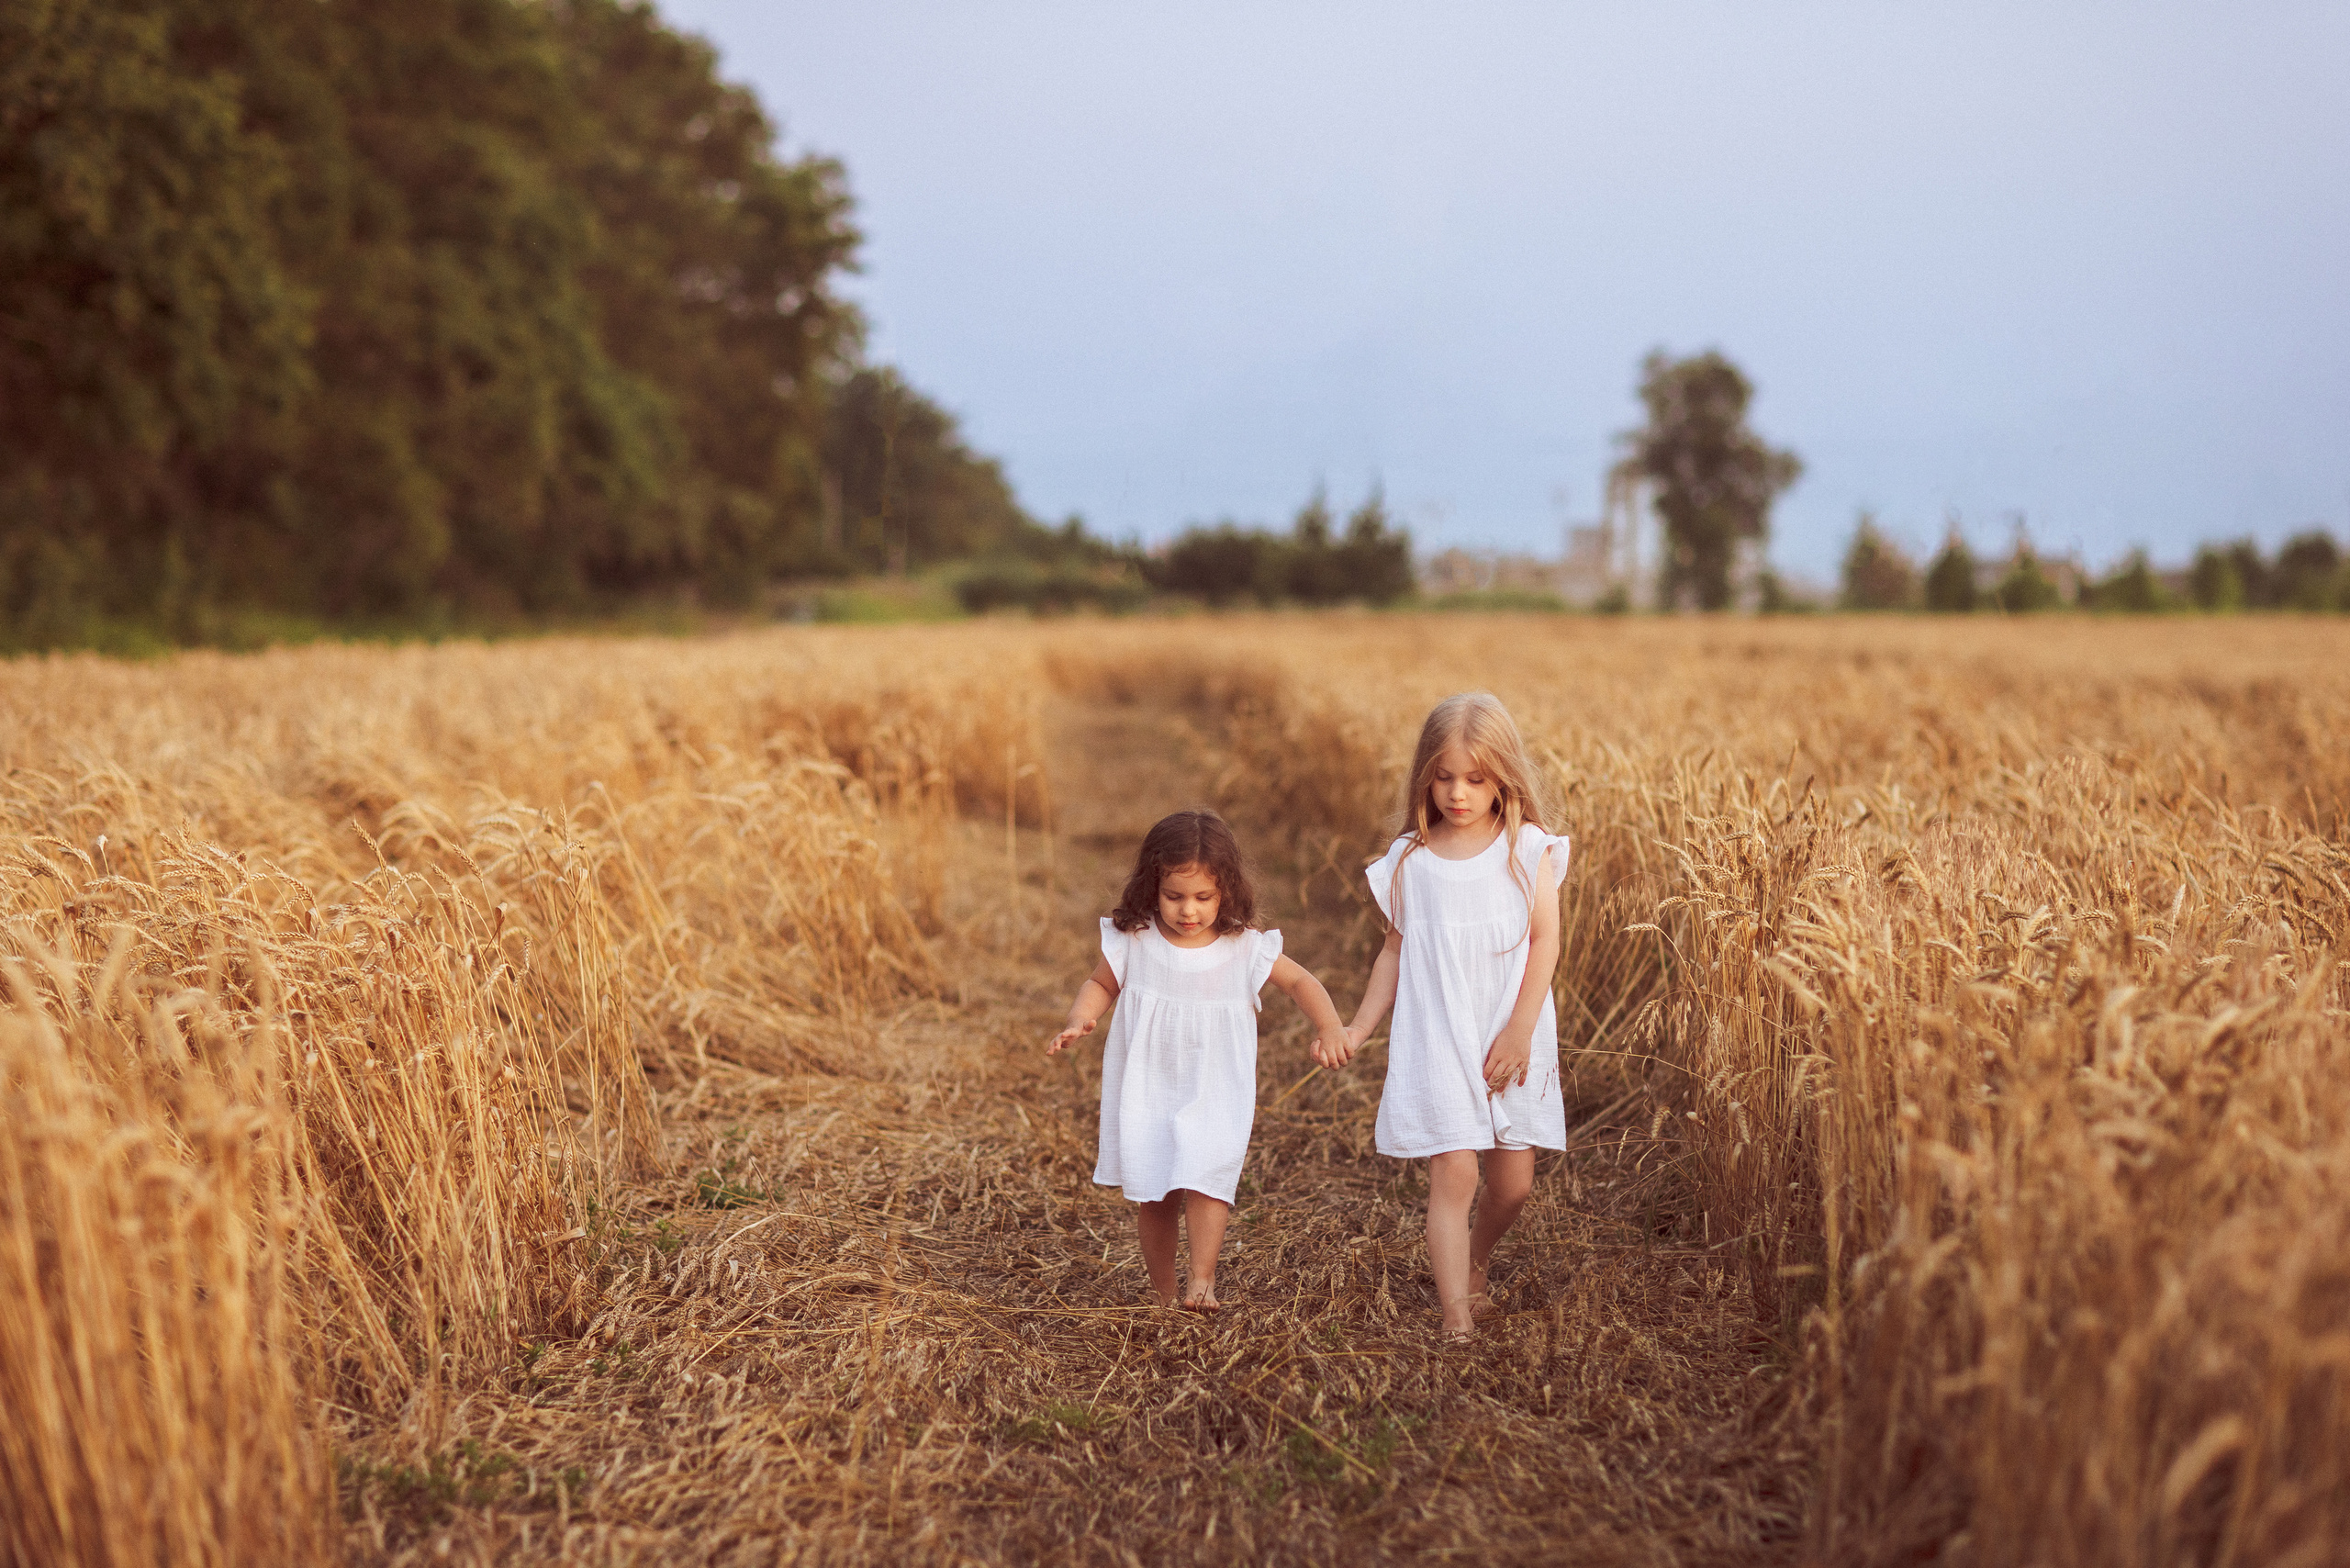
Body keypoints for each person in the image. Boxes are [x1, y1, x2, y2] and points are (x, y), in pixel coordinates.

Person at [1047, 809, 1352, 1310]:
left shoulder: (1243, 947)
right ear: (1153, 887)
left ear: (1226, 891)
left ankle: (1201, 1283)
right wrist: (1081, 1018)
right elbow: (1101, 983)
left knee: (1209, 1178)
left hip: (1215, 1086)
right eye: (1175, 896)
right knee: (1157, 1191)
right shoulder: (1136, 939)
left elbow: (1300, 981)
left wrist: (1330, 1026)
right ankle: (1163, 1293)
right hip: (1150, 1084)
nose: (1189, 910)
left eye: (1203, 898)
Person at [1338, 692, 1571, 1338]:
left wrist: (1521, 1029)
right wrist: (1359, 1027)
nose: (1458, 793)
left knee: (1514, 1184)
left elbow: (1545, 941)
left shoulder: (1528, 851)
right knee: (1456, 1172)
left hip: (1510, 1028)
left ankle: (1476, 1256)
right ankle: (1455, 1315)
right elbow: (1394, 951)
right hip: (1438, 1034)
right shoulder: (1409, 862)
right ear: (1425, 776)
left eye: (1475, 778)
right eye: (1443, 777)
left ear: (1504, 777)